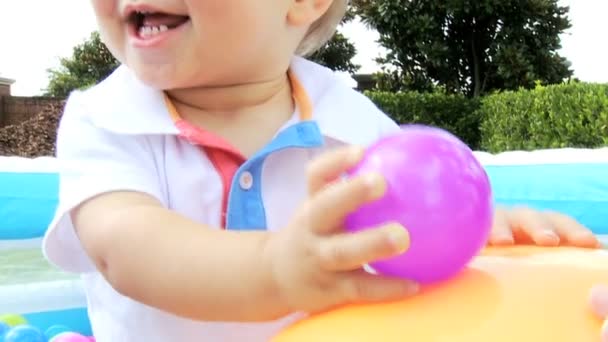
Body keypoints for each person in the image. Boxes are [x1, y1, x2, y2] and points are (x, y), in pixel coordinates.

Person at [42, 0, 600, 341]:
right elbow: (127, 248)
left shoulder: (349, 117)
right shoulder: (105, 120)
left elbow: (416, 228)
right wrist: (275, 272)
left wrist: (485, 233)